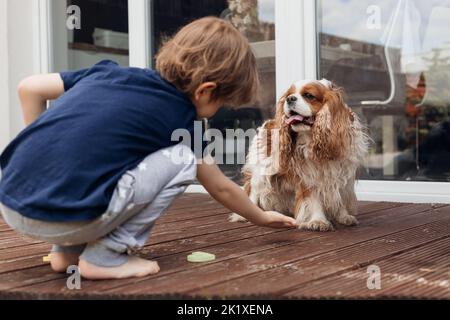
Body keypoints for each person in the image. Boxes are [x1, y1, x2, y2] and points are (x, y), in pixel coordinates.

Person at [0, 17, 297, 280]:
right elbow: (220, 186)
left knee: (96, 161)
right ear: (205, 90)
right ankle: (106, 257)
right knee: (183, 159)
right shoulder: (183, 119)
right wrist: (260, 216)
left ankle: (66, 254)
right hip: (62, 219)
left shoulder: (108, 73)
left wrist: (40, 151)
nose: (217, 112)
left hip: (12, 203)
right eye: (221, 104)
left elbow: (29, 87)